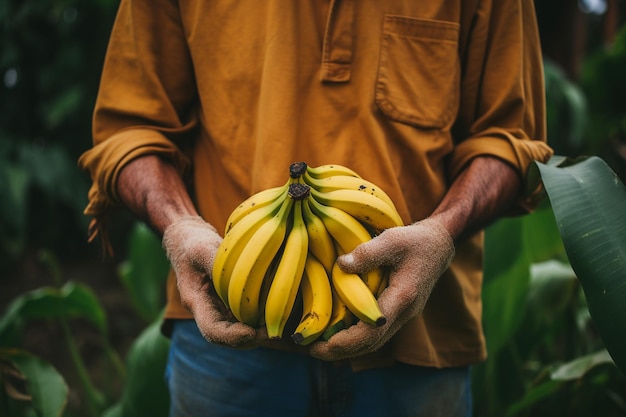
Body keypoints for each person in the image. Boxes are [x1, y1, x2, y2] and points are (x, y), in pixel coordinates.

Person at [78, 1, 553, 416]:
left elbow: (509, 139)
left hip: (419, 344)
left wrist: (442, 233)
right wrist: (179, 227)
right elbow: (131, 131)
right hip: (225, 336)